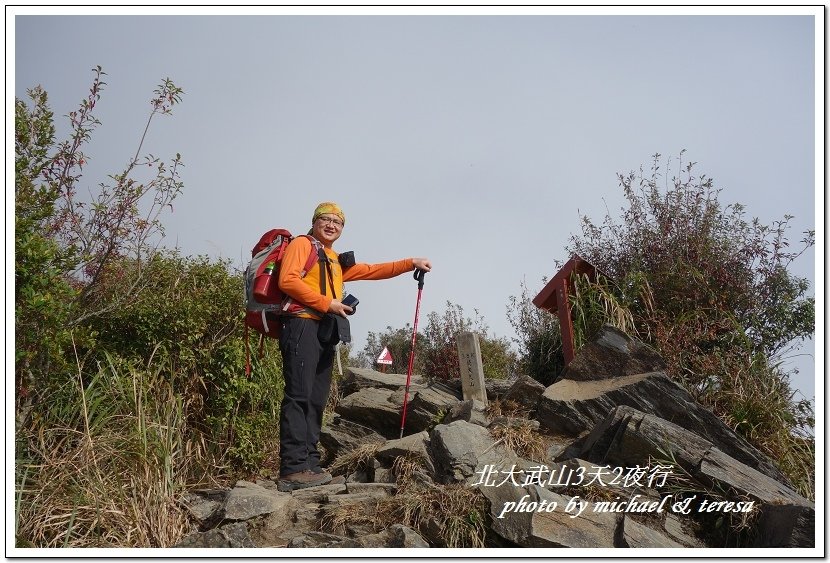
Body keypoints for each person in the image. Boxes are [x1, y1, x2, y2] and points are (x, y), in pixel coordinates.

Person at [275, 202, 432, 492]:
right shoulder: (302, 244)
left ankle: (310, 464)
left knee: (315, 398)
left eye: (338, 221)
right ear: (314, 222)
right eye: (326, 219)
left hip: (322, 331)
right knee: (298, 395)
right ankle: (292, 468)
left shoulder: (332, 259)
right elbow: (287, 280)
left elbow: (372, 270)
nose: (332, 225)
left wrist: (411, 263)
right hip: (300, 324)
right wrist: (328, 303)